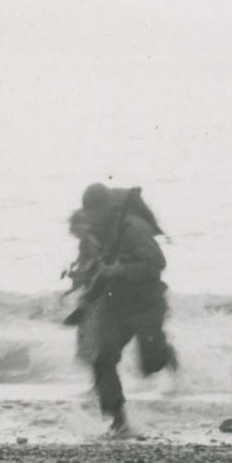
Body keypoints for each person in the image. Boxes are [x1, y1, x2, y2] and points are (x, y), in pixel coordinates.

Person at [69, 183, 178, 440]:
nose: (92, 219)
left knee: (150, 365)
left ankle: (166, 354)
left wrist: (118, 270)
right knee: (102, 358)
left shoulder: (133, 229)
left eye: (96, 213)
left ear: (108, 208)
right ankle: (119, 422)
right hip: (115, 305)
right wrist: (83, 276)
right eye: (89, 214)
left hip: (147, 304)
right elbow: (94, 265)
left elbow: (156, 264)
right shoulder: (93, 233)